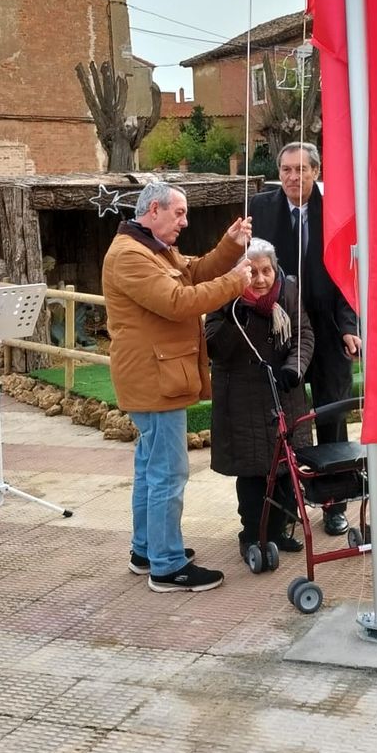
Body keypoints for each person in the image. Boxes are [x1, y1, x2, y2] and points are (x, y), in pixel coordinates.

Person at [105, 182, 251, 591]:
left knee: (151, 468)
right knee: (168, 472)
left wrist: (229, 245)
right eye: (180, 214)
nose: (185, 223)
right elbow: (178, 300)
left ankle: (146, 550)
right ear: (154, 209)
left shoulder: (149, 246)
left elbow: (194, 271)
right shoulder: (130, 255)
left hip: (158, 375)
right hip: (154, 378)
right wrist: (236, 282)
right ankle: (166, 566)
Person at [249, 141, 360, 536]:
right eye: (286, 170)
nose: (294, 177)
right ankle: (288, 508)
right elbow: (249, 267)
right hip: (282, 331)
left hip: (330, 331)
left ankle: (334, 504)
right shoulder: (260, 208)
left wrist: (350, 327)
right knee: (287, 422)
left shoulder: (338, 209)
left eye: (302, 169)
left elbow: (351, 271)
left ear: (316, 170)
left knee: (332, 416)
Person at [206, 239, 314, 554]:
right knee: (253, 473)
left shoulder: (289, 292)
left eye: (266, 270)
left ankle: (280, 531)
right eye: (252, 272)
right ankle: (253, 535)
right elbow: (215, 348)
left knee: (285, 469)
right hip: (242, 399)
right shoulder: (223, 299)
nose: (261, 279)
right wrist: (234, 312)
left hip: (283, 394)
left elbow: (304, 333)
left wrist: (294, 368)